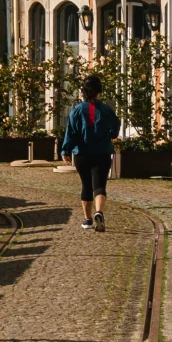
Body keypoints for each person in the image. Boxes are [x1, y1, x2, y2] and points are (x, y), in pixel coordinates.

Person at [60, 73, 121, 231]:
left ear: (83, 92)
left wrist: (65, 150)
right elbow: (115, 129)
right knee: (99, 185)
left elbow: (71, 132)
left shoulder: (77, 110)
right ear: (99, 90)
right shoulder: (107, 109)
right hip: (102, 153)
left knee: (86, 185)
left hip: (82, 154)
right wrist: (110, 135)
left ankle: (87, 219)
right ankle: (99, 212)